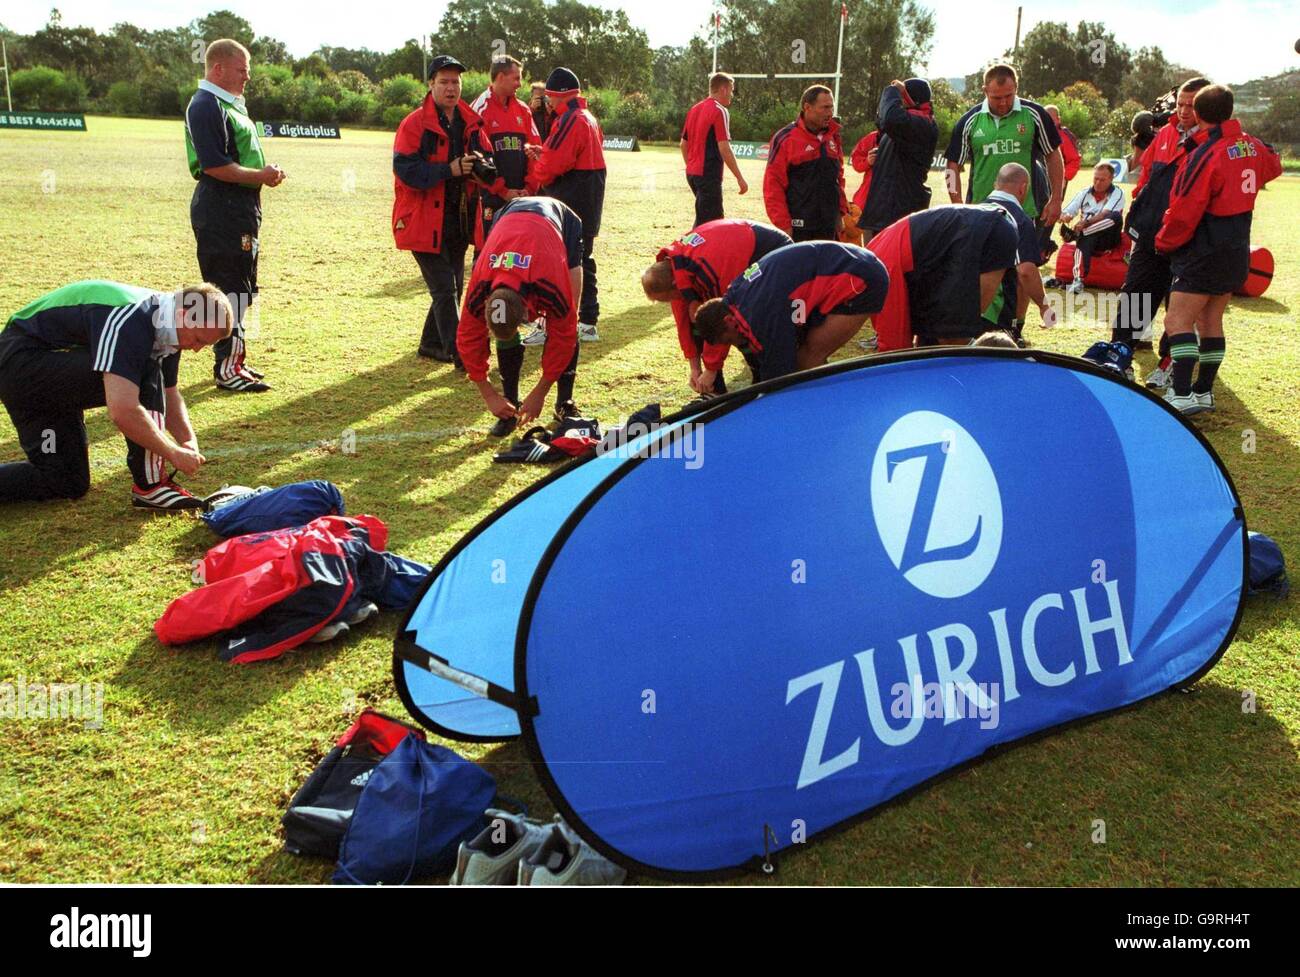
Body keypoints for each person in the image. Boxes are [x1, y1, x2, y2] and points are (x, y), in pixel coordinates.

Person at [0, 281, 232, 509]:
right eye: (199, 339)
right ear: (183, 316)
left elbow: (169, 394)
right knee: (145, 369)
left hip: (47, 391)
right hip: (20, 368)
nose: (196, 348)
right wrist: (171, 452)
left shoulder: (169, 329)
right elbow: (122, 409)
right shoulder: (134, 319)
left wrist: (188, 442)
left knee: (64, 480)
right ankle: (151, 486)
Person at [1154, 84, 1281, 415]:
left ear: (1196, 114)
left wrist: (1164, 242)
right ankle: (1203, 392)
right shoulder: (1251, 146)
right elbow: (1274, 164)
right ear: (1230, 111)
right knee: (1212, 320)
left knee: (1177, 320)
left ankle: (1181, 394)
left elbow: (1184, 209)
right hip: (1238, 247)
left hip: (1204, 247)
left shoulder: (1205, 154)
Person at [183, 38, 284, 393]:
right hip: (221, 206)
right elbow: (214, 166)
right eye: (243, 70)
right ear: (218, 68)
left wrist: (261, 179)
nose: (248, 77)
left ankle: (234, 359)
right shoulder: (206, 105)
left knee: (242, 286)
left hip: (239, 207)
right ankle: (226, 368)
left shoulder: (229, 105)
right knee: (230, 288)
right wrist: (261, 175)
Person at [392, 54, 494, 365]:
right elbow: (405, 171)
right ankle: (459, 351)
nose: (451, 88)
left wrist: (480, 166)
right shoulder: (414, 123)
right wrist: (448, 170)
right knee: (445, 289)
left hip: (458, 219)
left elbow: (489, 159)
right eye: (444, 82)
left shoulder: (469, 121)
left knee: (453, 287)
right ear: (431, 84)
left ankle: (431, 344)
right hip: (423, 219)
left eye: (456, 82)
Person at [1110, 77, 1211, 382]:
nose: (1183, 111)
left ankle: (1169, 362)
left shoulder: (1214, 141)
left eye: (1191, 105)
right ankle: (1120, 354)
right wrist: (1141, 205)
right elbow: (1146, 178)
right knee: (1136, 292)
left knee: (1178, 302)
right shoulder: (1165, 133)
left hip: (1190, 238)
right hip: (1152, 233)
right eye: (1180, 103)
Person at [456, 196, 584, 436]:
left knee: (569, 315)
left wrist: (540, 392)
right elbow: (467, 337)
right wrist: (489, 395)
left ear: (527, 312)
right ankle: (510, 405)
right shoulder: (480, 283)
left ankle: (564, 404)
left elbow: (563, 334)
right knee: (506, 325)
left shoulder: (550, 283)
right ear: (487, 303)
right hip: (508, 216)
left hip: (559, 221)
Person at [692, 241, 889, 382]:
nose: (736, 345)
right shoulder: (736, 292)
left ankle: (820, 410)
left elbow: (779, 376)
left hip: (860, 277)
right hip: (846, 261)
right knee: (804, 351)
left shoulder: (760, 316)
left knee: (805, 360)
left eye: (729, 340)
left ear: (729, 321)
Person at [641, 218, 791, 394]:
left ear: (674, 285)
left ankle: (766, 379)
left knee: (745, 322)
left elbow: (721, 317)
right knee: (698, 319)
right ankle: (714, 389)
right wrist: (694, 367)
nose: (669, 303)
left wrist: (711, 369)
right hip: (736, 250)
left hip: (769, 253)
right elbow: (684, 322)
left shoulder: (707, 269)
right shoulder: (675, 270)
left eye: (667, 299)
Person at [866, 203, 1021, 352]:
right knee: (942, 334)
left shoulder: (879, 270)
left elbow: (894, 349)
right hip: (977, 229)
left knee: (952, 334)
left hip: (984, 231)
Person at [524, 67, 607, 344]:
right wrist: (545, 154)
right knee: (584, 258)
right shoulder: (588, 117)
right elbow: (569, 155)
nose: (547, 102)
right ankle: (587, 322)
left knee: (558, 261)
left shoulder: (570, 119)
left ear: (556, 96)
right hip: (589, 197)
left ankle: (552, 324)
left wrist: (535, 171)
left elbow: (552, 166)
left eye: (549, 97)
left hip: (571, 200)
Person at [470, 55, 541, 248]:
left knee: (517, 252)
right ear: (500, 77)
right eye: (516, 78)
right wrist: (503, 190)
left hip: (522, 196)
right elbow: (476, 160)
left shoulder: (523, 110)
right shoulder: (479, 110)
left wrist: (530, 188)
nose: (520, 84)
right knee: (487, 251)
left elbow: (536, 152)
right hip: (491, 198)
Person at [981, 163, 1057, 344]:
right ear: (1023, 188)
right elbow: (1025, 271)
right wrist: (1044, 307)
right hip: (992, 313)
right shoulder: (1018, 219)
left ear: (995, 184)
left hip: (959, 305)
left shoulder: (975, 210)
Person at [763, 85, 848, 242]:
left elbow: (838, 177)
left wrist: (840, 213)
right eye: (825, 108)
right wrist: (783, 225)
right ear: (807, 107)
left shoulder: (833, 136)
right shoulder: (786, 138)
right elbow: (773, 184)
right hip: (799, 227)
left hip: (828, 225)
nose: (830, 113)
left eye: (832, 107)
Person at [857, 79, 939, 241]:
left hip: (898, 212)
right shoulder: (906, 123)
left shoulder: (923, 123)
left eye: (901, 97)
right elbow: (882, 120)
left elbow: (890, 118)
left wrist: (892, 90)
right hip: (883, 211)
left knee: (892, 265)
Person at [680, 73, 749, 227]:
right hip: (708, 175)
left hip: (692, 174)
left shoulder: (694, 109)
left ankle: (690, 249)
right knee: (712, 225)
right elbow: (725, 148)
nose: (732, 94)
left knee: (704, 219)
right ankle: (686, 250)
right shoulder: (720, 110)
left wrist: (691, 166)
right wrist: (740, 178)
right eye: (731, 90)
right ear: (723, 89)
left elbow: (683, 144)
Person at [1059, 163, 1125, 293]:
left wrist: (1085, 224)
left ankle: (1080, 234)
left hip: (1108, 236)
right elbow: (1068, 212)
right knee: (1085, 238)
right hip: (1089, 236)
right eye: (1096, 178)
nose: (1098, 182)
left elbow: (1106, 214)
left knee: (1115, 217)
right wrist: (1065, 217)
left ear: (1111, 179)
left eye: (1102, 180)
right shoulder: (1084, 193)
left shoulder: (1117, 192)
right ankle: (1078, 280)